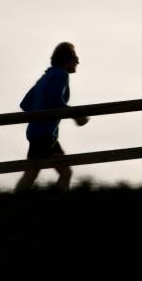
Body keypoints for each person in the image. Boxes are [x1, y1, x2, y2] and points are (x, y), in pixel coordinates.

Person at [15, 42, 89, 192]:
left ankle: (13, 204)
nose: (78, 61)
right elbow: (54, 100)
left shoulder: (46, 77)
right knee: (64, 172)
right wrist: (76, 116)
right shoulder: (61, 74)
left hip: (37, 132)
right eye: (75, 57)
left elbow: (25, 104)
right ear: (66, 59)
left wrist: (39, 113)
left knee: (32, 173)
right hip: (45, 134)